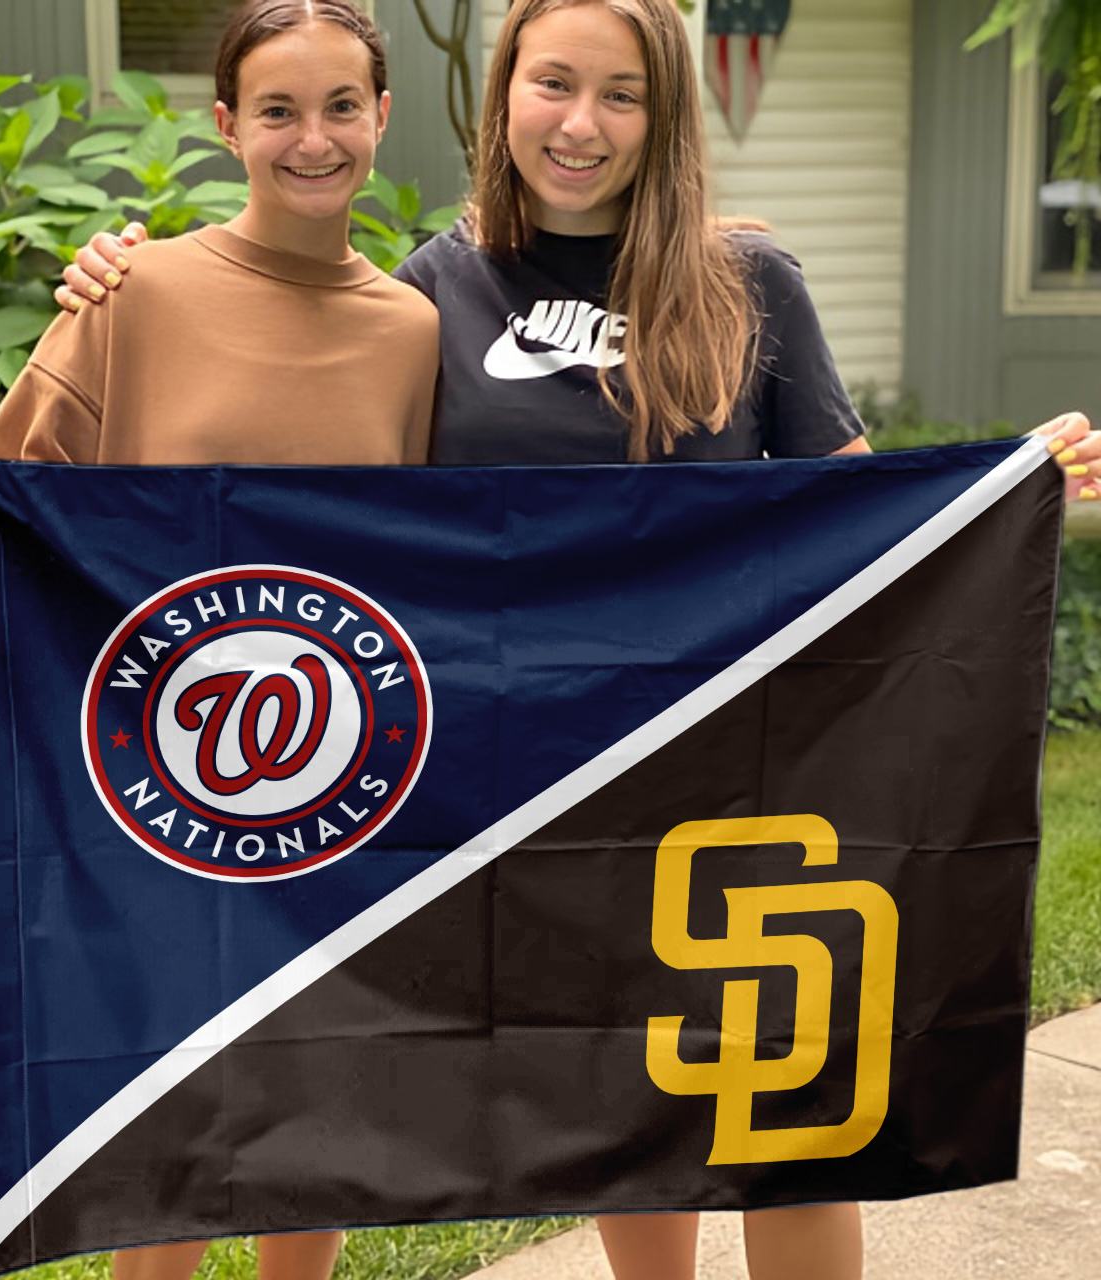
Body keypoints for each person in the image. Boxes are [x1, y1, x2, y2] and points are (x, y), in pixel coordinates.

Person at [59, 2, 1101, 1278]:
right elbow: (344, 510)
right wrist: (122, 285)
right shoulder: (428, 296)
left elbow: (851, 519)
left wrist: (1000, 491)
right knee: (619, 1101)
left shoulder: (746, 282)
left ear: (664, 116)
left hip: (736, 767)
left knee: (783, 1111)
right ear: (502, 96)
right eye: (553, 83)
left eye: (622, 94)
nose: (580, 122)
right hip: (539, 784)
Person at [0, 3, 437, 1280]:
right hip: (157, 779)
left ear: (381, 117)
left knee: (315, 1103)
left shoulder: (412, 331)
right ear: (224, 123)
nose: (312, 139)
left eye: (341, 107)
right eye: (277, 111)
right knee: (172, 1112)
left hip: (338, 778)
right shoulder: (138, 290)